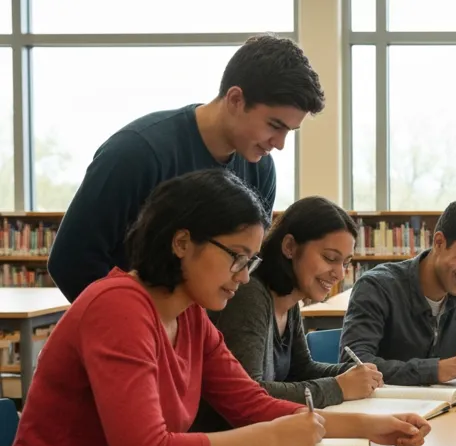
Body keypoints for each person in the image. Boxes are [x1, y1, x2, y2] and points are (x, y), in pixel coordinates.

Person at [0, 170, 430, 446]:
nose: (244, 276)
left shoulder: (190, 315)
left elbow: (254, 405)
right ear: (183, 242)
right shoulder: (118, 307)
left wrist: (372, 427)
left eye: (251, 260)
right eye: (237, 258)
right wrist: (272, 436)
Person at [47, 34, 325, 303]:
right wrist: (133, 325)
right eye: (274, 126)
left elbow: (240, 266)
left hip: (199, 339)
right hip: (130, 334)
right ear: (236, 99)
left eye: (289, 131)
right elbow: (70, 261)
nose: (279, 144)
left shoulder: (261, 171)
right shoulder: (137, 153)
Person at [191, 196, 385, 433]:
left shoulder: (290, 300)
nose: (339, 273)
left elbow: (300, 369)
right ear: (290, 247)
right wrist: (338, 386)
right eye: (330, 258)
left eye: (345, 263)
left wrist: (353, 374)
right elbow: (251, 393)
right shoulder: (249, 294)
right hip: (225, 441)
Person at [339, 198, 456, 386]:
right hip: (382, 408)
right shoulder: (377, 287)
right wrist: (435, 370)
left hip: (440, 408)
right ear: (439, 242)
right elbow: (353, 365)